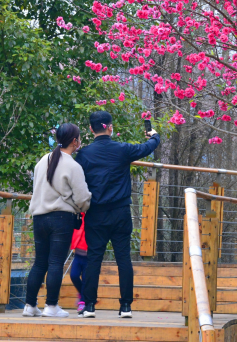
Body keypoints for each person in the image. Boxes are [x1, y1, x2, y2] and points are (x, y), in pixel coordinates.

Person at [75, 110, 160, 319]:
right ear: (110, 127)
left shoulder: (84, 154)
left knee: (94, 258)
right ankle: (126, 307)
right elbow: (147, 147)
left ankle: (89, 306)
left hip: (95, 213)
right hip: (121, 212)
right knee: (123, 259)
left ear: (90, 129)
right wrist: (155, 136)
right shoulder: (123, 150)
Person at [23, 123, 91, 318]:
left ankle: (30, 305)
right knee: (55, 263)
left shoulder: (42, 161)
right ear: (74, 141)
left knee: (40, 263)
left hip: (39, 217)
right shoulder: (72, 165)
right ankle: (51, 306)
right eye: (78, 139)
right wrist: (84, 206)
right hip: (61, 218)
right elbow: (82, 198)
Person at [69, 214, 87, 315]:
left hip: (88, 256)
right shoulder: (78, 217)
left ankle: (82, 302)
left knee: (85, 279)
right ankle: (82, 294)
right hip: (78, 254)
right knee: (74, 275)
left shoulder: (92, 220)